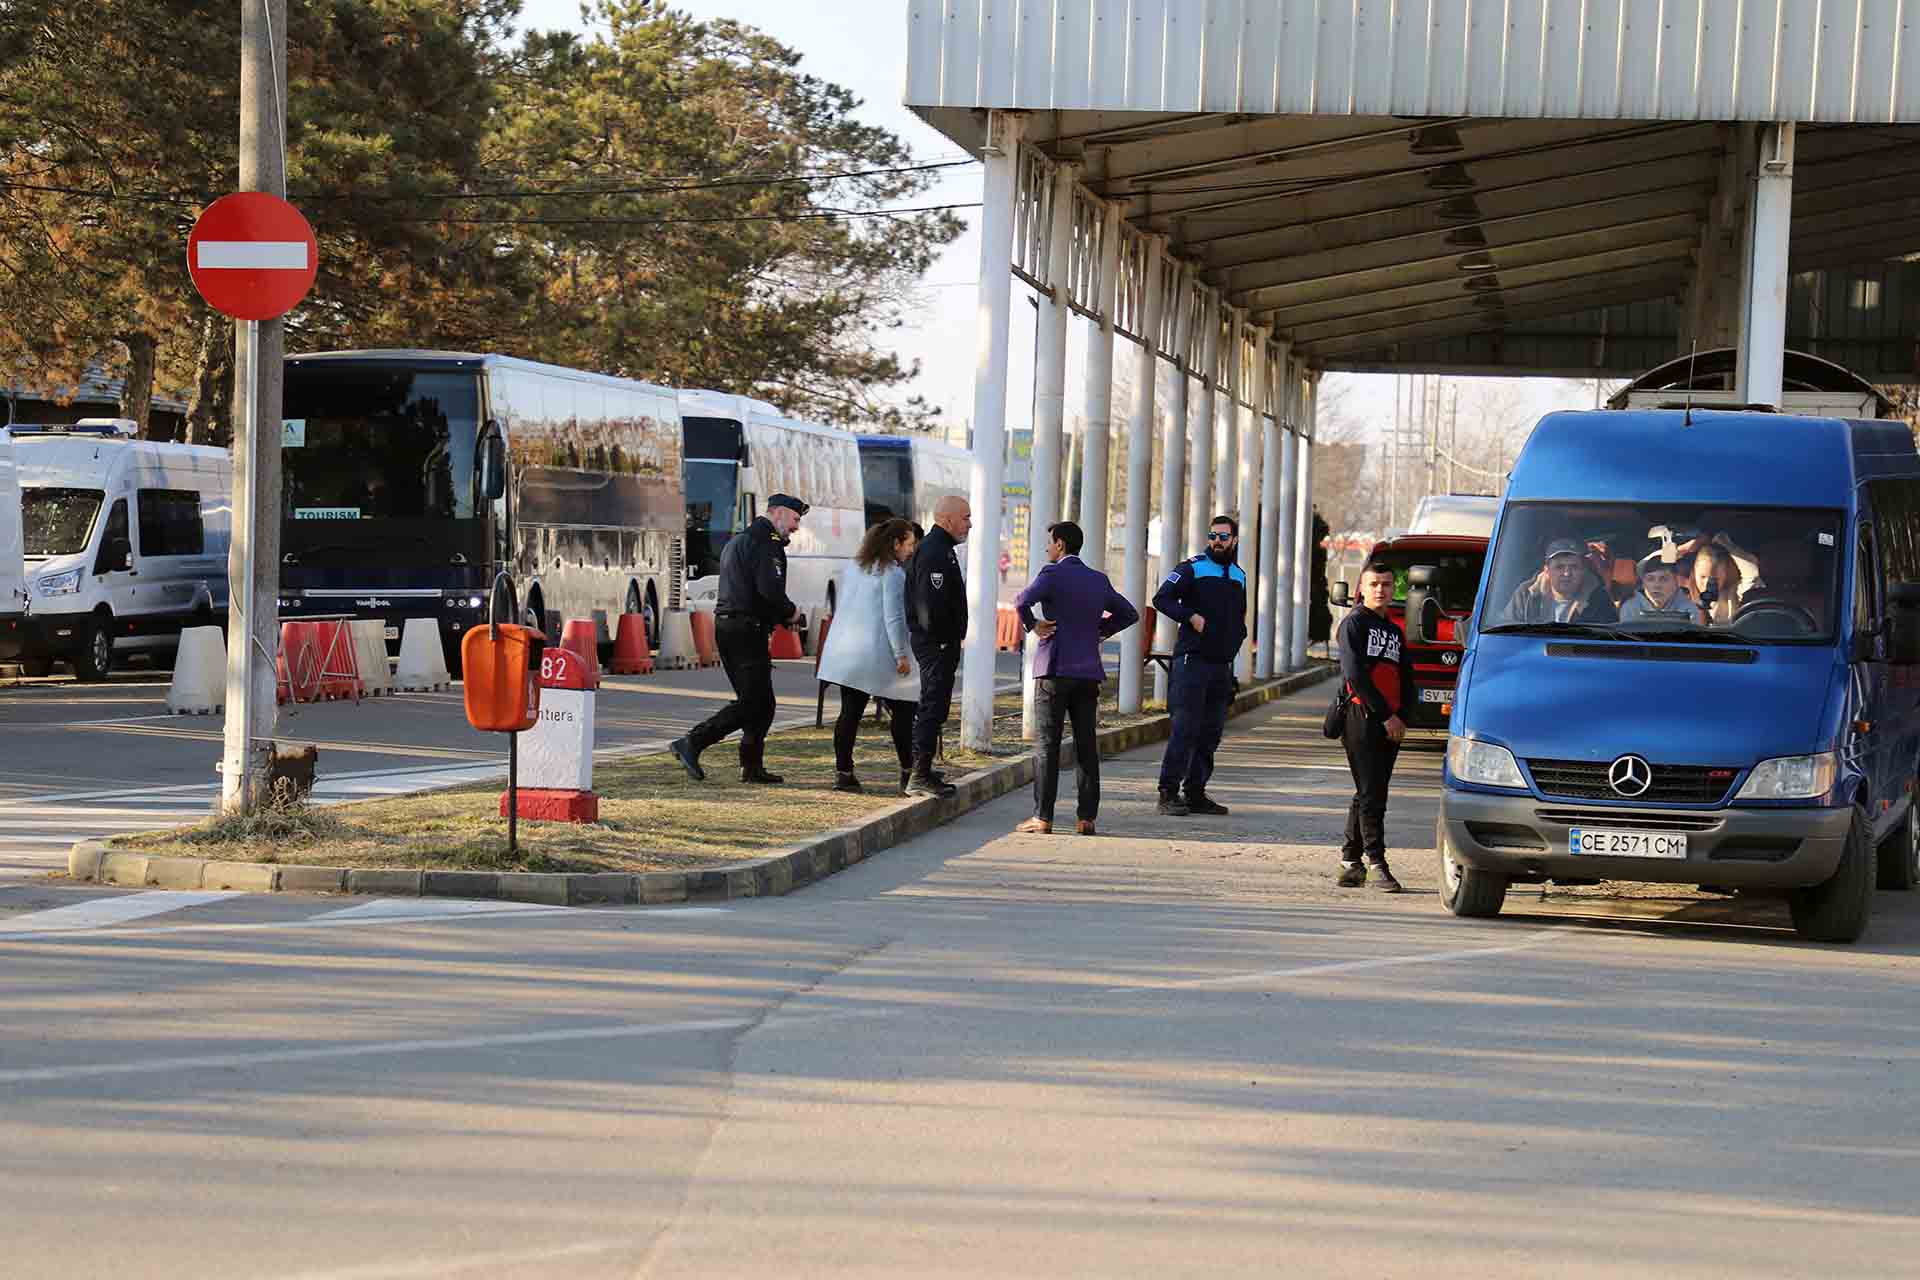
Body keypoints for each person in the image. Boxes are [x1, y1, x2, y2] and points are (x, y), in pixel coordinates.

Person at [670, 493, 808, 785]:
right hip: (745, 630)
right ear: (778, 513)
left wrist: (780, 618)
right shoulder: (765, 544)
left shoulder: (742, 540)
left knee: (763, 703)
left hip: (734, 627)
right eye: (795, 519)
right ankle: (693, 742)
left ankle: (752, 766)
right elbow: (768, 591)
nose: (796, 527)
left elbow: (752, 591)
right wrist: (792, 612)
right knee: (752, 702)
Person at [1012, 521, 1138, 836]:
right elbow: (1129, 613)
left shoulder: (1051, 574)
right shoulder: (1098, 580)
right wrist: (1100, 631)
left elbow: (1020, 601)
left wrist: (1034, 625)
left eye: (1050, 542)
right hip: (1087, 674)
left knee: (1047, 746)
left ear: (1061, 544)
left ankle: (1043, 817)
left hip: (1054, 670)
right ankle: (1086, 818)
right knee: (1086, 746)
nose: (1047, 548)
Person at [816, 518, 920, 795]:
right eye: (909, 544)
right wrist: (902, 656)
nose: (911, 550)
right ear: (895, 544)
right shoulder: (893, 574)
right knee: (903, 709)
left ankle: (843, 772)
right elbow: (894, 618)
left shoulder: (854, 567)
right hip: (876, 654)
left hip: (846, 651)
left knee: (849, 714)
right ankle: (909, 770)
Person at [1152, 515, 1248, 817]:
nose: (1217, 542)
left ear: (1234, 540)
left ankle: (1195, 792)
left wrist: (1237, 639)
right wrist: (1190, 616)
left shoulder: (1239, 575)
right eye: (1213, 536)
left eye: (1223, 537)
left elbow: (1239, 616)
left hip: (1221, 666)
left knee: (1211, 732)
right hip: (1192, 662)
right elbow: (1162, 599)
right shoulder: (1191, 567)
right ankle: (1168, 792)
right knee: (1185, 728)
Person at [1336, 560, 1414, 892]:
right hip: (1361, 718)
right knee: (1372, 794)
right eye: (1374, 584)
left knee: (1369, 790)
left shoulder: (1395, 630)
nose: (1380, 590)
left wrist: (1405, 715)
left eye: (1386, 584)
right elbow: (1355, 677)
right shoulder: (1353, 624)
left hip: (1390, 722)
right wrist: (1386, 715)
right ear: (1361, 589)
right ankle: (1377, 862)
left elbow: (1406, 677)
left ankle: (1350, 861)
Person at [904, 494, 971, 798]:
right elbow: (930, 607)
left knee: (937, 704)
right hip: (936, 643)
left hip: (941, 642)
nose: (969, 524)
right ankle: (918, 774)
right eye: (965, 518)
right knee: (932, 704)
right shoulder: (933, 552)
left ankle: (924, 768)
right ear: (947, 519)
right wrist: (944, 638)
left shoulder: (943, 549)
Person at [1502, 537, 1618, 624]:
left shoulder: (1598, 598)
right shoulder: (1526, 594)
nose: (1567, 573)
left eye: (1574, 567)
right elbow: (1506, 632)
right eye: (1559, 567)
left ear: (1583, 570)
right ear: (1546, 571)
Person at [1680, 533, 1765, 623]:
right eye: (1703, 577)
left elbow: (1752, 574)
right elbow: (1667, 564)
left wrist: (1725, 544)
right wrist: (1681, 550)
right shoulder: (1683, 592)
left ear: (1725, 577)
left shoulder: (1733, 595)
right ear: (1694, 572)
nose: (1707, 584)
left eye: (1715, 579)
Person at [1619, 552, 1705, 623]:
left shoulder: (1688, 610)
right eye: (1650, 579)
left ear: (1676, 582)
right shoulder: (1630, 608)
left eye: (1664, 579)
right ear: (1643, 583)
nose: (1656, 585)